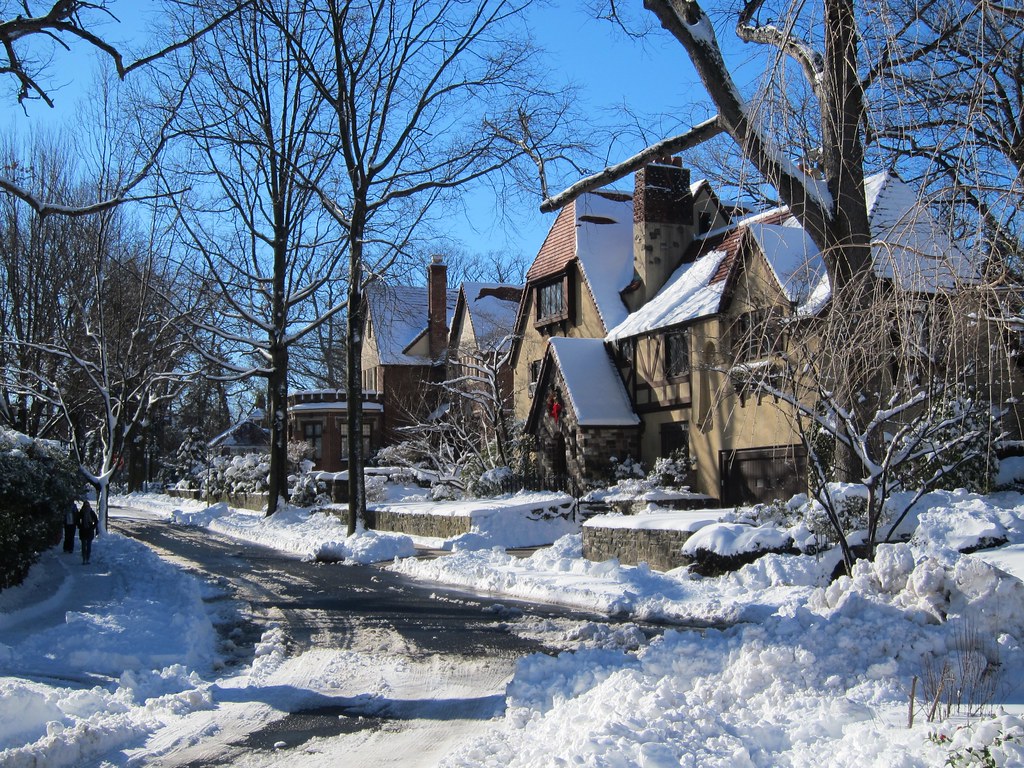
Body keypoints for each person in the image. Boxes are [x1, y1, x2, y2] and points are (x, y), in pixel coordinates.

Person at [77, 500, 99, 565]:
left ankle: (86, 558)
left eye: (87, 506)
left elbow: (96, 521)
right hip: (84, 530)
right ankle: (85, 559)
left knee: (87, 545)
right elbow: (78, 520)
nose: (86, 507)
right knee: (85, 545)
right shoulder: (82, 512)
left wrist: (93, 527)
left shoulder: (91, 512)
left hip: (88, 530)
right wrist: (80, 526)